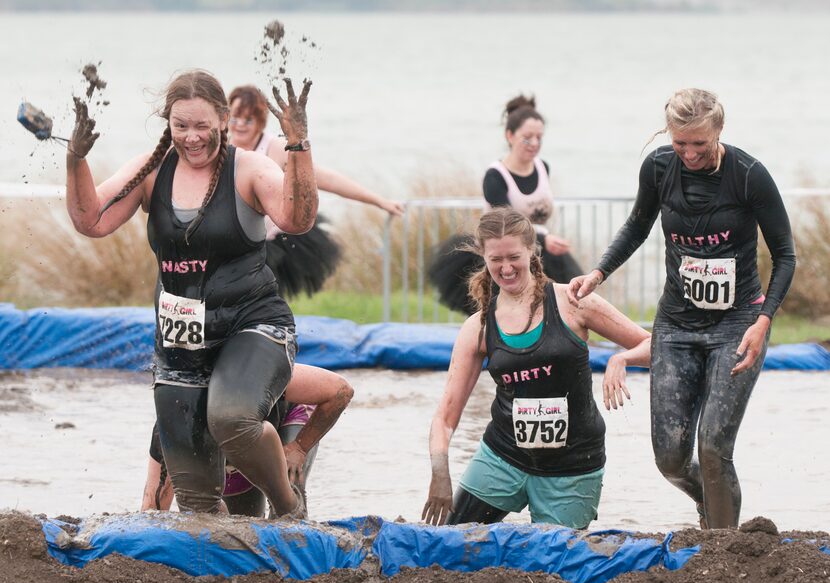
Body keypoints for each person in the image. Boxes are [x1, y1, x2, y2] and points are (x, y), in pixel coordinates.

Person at [65, 69, 325, 516]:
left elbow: (296, 220)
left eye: (202, 125)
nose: (191, 137)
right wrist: (75, 161)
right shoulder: (151, 171)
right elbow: (92, 221)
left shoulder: (249, 168)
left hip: (254, 326)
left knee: (231, 418)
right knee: (199, 504)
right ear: (167, 123)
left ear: (223, 119)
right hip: (182, 339)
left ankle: (287, 505)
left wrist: (298, 145)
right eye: (180, 126)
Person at [567, 88, 796, 529]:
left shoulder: (749, 175)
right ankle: (710, 504)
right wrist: (599, 273)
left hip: (738, 324)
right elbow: (637, 224)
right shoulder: (657, 168)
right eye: (680, 144)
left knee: (712, 447)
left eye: (700, 144)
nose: (689, 154)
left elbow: (785, 254)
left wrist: (764, 320)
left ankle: (724, 547)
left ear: (719, 131)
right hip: (675, 325)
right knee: (670, 458)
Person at [422, 208, 650, 528]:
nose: (506, 268)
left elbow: (657, 347)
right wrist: (440, 474)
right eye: (495, 260)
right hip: (502, 458)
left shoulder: (574, 302)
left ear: (532, 250)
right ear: (483, 258)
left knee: (558, 569)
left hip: (573, 464)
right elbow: (445, 417)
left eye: (514, 257)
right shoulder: (479, 327)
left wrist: (621, 359)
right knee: (451, 544)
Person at [227, 85, 403, 298]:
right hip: (233, 236)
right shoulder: (222, 146)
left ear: (260, 121)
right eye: (235, 119)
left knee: (263, 296)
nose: (240, 126)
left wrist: (379, 201)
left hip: (271, 241)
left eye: (248, 120)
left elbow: (326, 179)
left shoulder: (277, 147)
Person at [429, 95, 583, 315]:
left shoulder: (542, 168)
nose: (535, 144)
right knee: (503, 312)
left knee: (557, 309)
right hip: (507, 250)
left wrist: (545, 240)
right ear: (510, 136)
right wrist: (544, 239)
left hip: (539, 251)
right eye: (527, 138)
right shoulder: (495, 176)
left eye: (539, 137)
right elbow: (510, 223)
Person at [142, 364, 353, 517]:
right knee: (236, 525)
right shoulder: (171, 433)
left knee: (286, 508)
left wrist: (300, 447)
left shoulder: (256, 377)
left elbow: (341, 392)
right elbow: (152, 511)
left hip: (285, 430)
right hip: (238, 456)